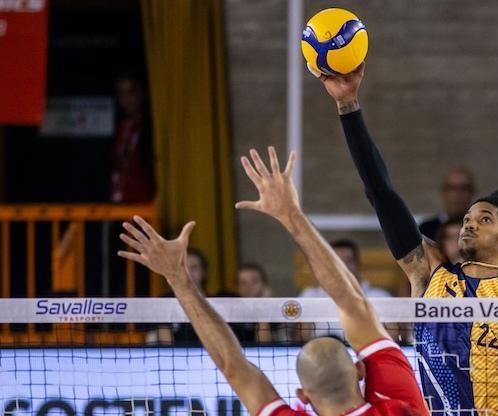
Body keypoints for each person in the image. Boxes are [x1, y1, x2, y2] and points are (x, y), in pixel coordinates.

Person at [118, 147, 428, 416]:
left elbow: (231, 365)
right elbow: (352, 302)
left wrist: (177, 277)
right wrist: (292, 215)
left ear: (302, 396)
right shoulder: (399, 406)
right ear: (360, 370)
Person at [316, 64, 498, 415]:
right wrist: (348, 105)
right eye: (468, 217)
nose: (469, 224)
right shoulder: (429, 274)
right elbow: (381, 192)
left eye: (483, 219)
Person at [298, 239, 393, 340]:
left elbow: (393, 337)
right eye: (337, 262)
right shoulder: (310, 295)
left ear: (358, 264)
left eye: (348, 261)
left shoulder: (381, 296)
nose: (343, 267)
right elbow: (301, 337)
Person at [110, 71, 156, 203]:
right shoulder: (120, 129)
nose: (126, 99)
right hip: (120, 203)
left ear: (143, 93)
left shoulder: (151, 129)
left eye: (132, 91)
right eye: (121, 93)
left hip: (146, 205)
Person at [418, 168, 476, 240]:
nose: (457, 194)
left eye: (463, 188)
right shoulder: (426, 230)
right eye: (452, 188)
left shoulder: (482, 229)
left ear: (472, 193)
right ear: (443, 193)